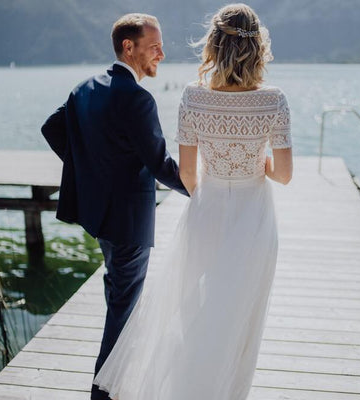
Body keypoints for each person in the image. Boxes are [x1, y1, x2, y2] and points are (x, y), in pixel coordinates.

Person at [93, 3, 292, 400]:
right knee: (242, 316)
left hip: (208, 208)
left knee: (194, 308)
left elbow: (186, 174)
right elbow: (284, 175)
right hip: (254, 215)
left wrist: (216, 184)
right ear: (259, 48)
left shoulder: (193, 95)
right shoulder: (274, 101)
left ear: (213, 45)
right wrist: (260, 164)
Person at [41, 13, 189, 400]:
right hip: (128, 221)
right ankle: (103, 394)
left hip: (101, 217)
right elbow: (160, 164)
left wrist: (90, 169)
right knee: (122, 311)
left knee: (117, 297)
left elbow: (52, 129)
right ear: (129, 46)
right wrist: (203, 188)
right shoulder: (137, 97)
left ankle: (118, 385)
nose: (162, 52)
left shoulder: (84, 88)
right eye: (154, 45)